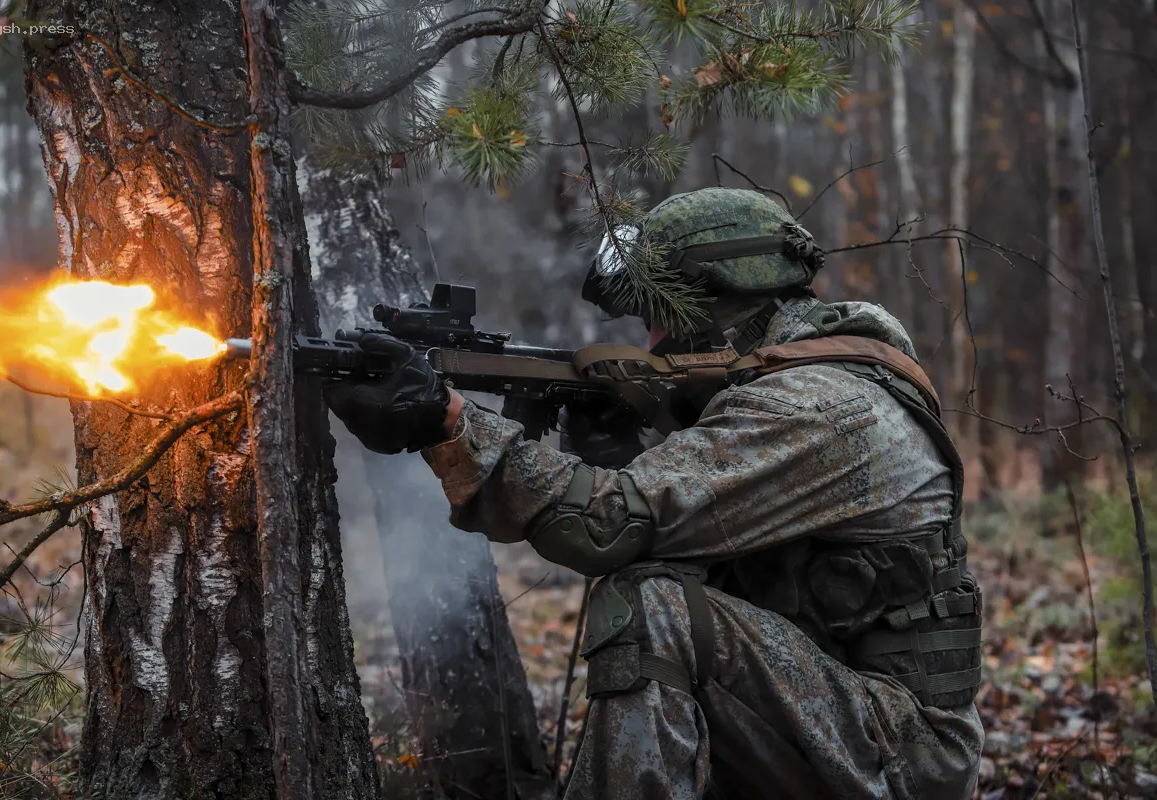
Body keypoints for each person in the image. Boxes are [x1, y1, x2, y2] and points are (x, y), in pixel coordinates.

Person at [324, 187, 985, 799]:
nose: (648, 342)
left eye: (656, 319)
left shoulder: (814, 404)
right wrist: (624, 455)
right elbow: (711, 539)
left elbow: (607, 528)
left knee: (650, 608)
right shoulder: (817, 377)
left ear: (709, 309)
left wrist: (450, 422)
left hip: (902, 755)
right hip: (852, 721)